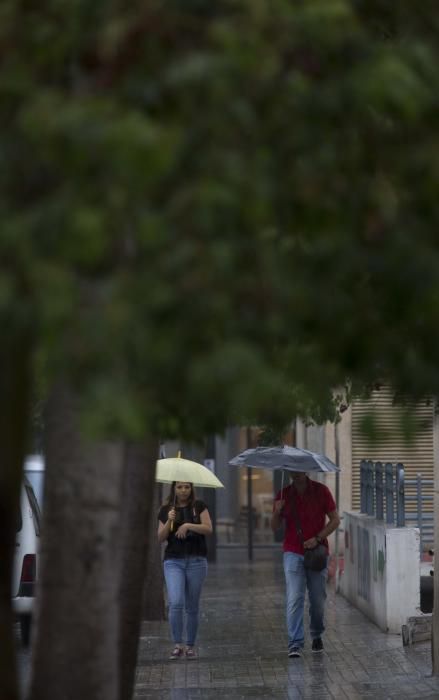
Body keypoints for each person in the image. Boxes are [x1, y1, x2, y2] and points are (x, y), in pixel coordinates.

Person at [271, 471, 340, 658]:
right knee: (295, 597)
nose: (296, 474)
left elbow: (335, 520)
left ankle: (317, 633)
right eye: (293, 470)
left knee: (318, 600)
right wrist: (277, 511)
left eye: (300, 470)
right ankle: (295, 642)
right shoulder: (284, 494)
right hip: (292, 552)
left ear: (307, 471)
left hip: (317, 553)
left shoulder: (321, 491)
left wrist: (318, 538)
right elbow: (274, 527)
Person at [157, 481, 212, 659]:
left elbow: (208, 528)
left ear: (191, 489)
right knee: (176, 602)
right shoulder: (166, 509)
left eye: (187, 487)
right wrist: (170, 521)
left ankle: (190, 646)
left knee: (192, 606)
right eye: (179, 487)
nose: (183, 491)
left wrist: (188, 525)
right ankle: (177, 644)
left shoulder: (199, 506)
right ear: (174, 488)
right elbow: (160, 537)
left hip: (196, 560)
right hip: (173, 561)